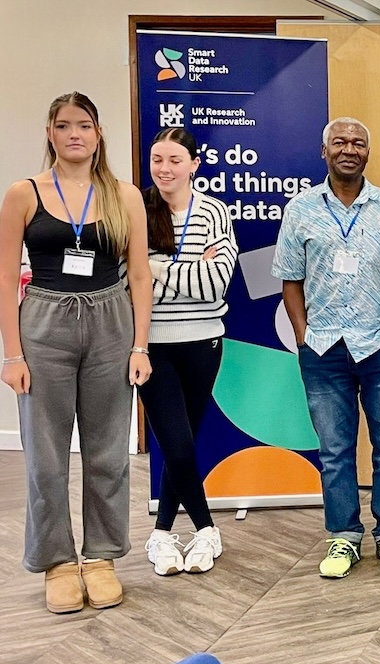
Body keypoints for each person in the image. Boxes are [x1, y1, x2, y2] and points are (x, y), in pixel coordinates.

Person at [0, 92, 152, 613]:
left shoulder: (124, 195)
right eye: (64, 126)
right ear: (50, 133)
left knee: (107, 452)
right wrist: (12, 355)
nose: (74, 135)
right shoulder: (23, 193)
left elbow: (139, 275)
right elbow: (5, 277)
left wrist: (139, 345)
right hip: (44, 323)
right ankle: (58, 563)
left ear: (98, 133)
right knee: (46, 458)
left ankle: (102, 558)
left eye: (84, 125)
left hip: (111, 321)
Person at [273, 117, 380, 579]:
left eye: (358, 143)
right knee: (335, 452)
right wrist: (302, 335)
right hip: (323, 347)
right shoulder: (300, 209)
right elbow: (290, 279)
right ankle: (344, 537)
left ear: (367, 153)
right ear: (324, 151)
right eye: (339, 142)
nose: (349, 149)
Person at [138, 128, 237, 576]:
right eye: (157, 159)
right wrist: (187, 267)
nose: (165, 168)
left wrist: (155, 267)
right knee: (176, 446)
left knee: (185, 442)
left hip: (203, 343)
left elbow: (214, 284)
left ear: (194, 164)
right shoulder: (137, 209)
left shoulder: (213, 212)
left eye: (175, 160)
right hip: (150, 347)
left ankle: (162, 533)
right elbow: (127, 278)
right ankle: (206, 528)